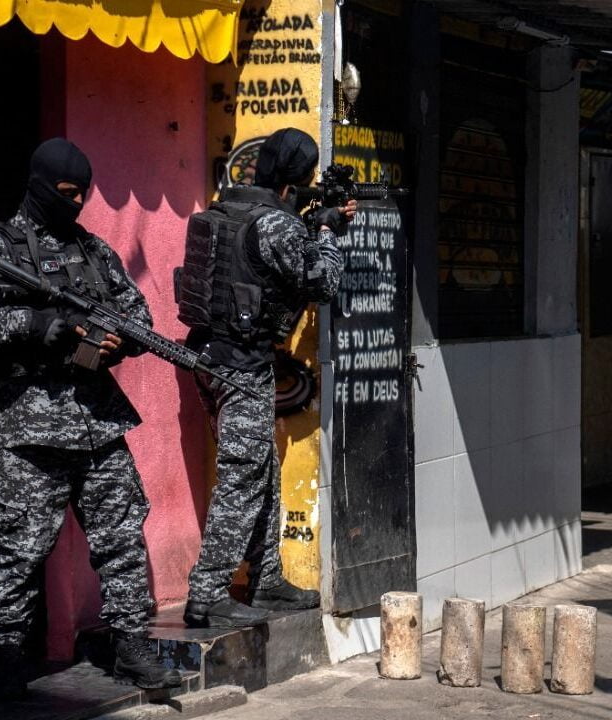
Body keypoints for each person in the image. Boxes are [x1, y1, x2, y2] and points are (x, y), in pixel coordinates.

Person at [0, 138, 181, 698]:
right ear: (41, 185)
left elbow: (137, 314)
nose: (75, 203)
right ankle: (7, 659)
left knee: (122, 539)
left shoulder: (92, 251)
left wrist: (117, 341)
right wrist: (32, 325)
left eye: (83, 194)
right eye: (67, 192)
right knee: (19, 548)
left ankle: (132, 648)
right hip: (32, 427)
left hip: (98, 421)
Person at [177, 128, 353, 628]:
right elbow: (323, 281)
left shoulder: (226, 208)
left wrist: (311, 222)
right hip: (242, 366)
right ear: (292, 183)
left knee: (260, 470)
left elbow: (261, 264)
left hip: (209, 359)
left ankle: (267, 578)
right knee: (242, 477)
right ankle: (207, 593)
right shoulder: (277, 224)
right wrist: (327, 233)